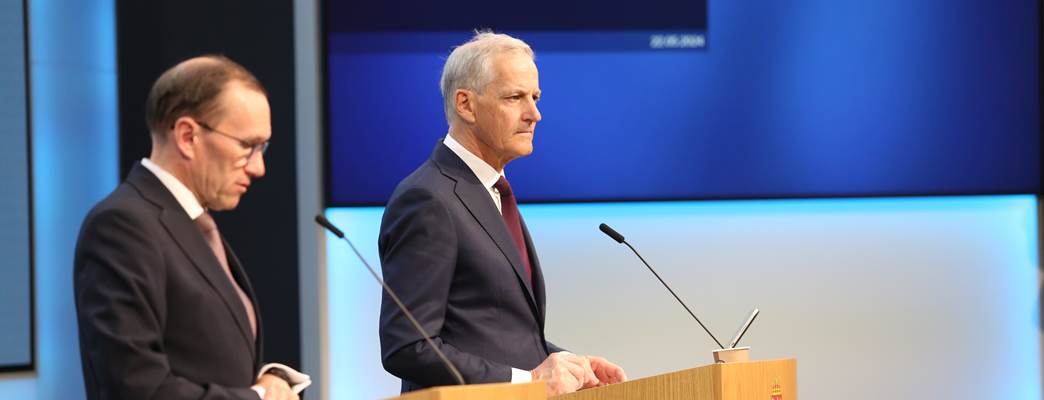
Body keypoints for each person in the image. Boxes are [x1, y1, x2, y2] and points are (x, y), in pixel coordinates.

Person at [378, 31, 627, 395]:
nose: (535, 114)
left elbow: (497, 335)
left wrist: (569, 364)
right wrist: (529, 381)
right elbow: (407, 346)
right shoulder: (427, 198)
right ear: (465, 104)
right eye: (515, 98)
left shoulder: (491, 191)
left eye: (536, 97)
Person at [74, 55, 308, 400]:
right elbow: (136, 388)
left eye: (263, 148)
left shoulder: (192, 223)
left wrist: (269, 379)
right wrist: (256, 397)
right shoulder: (121, 226)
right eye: (247, 146)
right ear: (187, 136)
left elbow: (204, 358)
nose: (259, 168)